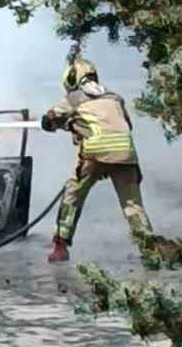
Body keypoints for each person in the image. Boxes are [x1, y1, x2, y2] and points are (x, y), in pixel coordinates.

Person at [41, 57, 152, 264]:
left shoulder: (74, 98)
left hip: (94, 152)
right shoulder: (116, 98)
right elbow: (125, 125)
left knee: (72, 195)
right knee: (133, 205)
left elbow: (49, 120)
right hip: (125, 154)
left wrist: (56, 123)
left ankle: (60, 247)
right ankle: (150, 249)